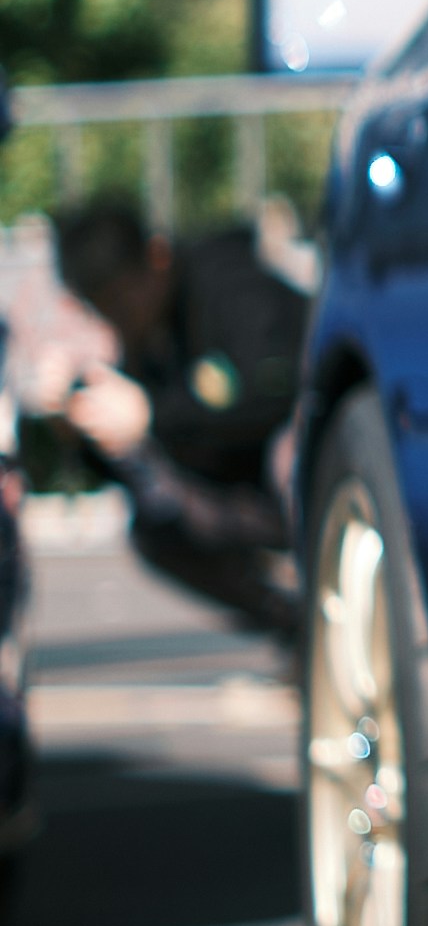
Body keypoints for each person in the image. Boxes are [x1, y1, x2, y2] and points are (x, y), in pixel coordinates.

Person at [22, 193, 306, 644]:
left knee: (290, 454)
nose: (117, 317)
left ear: (155, 258)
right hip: (247, 489)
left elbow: (276, 394)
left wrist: (154, 417)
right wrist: (79, 435)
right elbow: (153, 473)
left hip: (315, 463)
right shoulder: (144, 339)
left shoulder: (230, 283)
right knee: (156, 530)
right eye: (101, 307)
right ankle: (300, 629)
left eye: (121, 298)